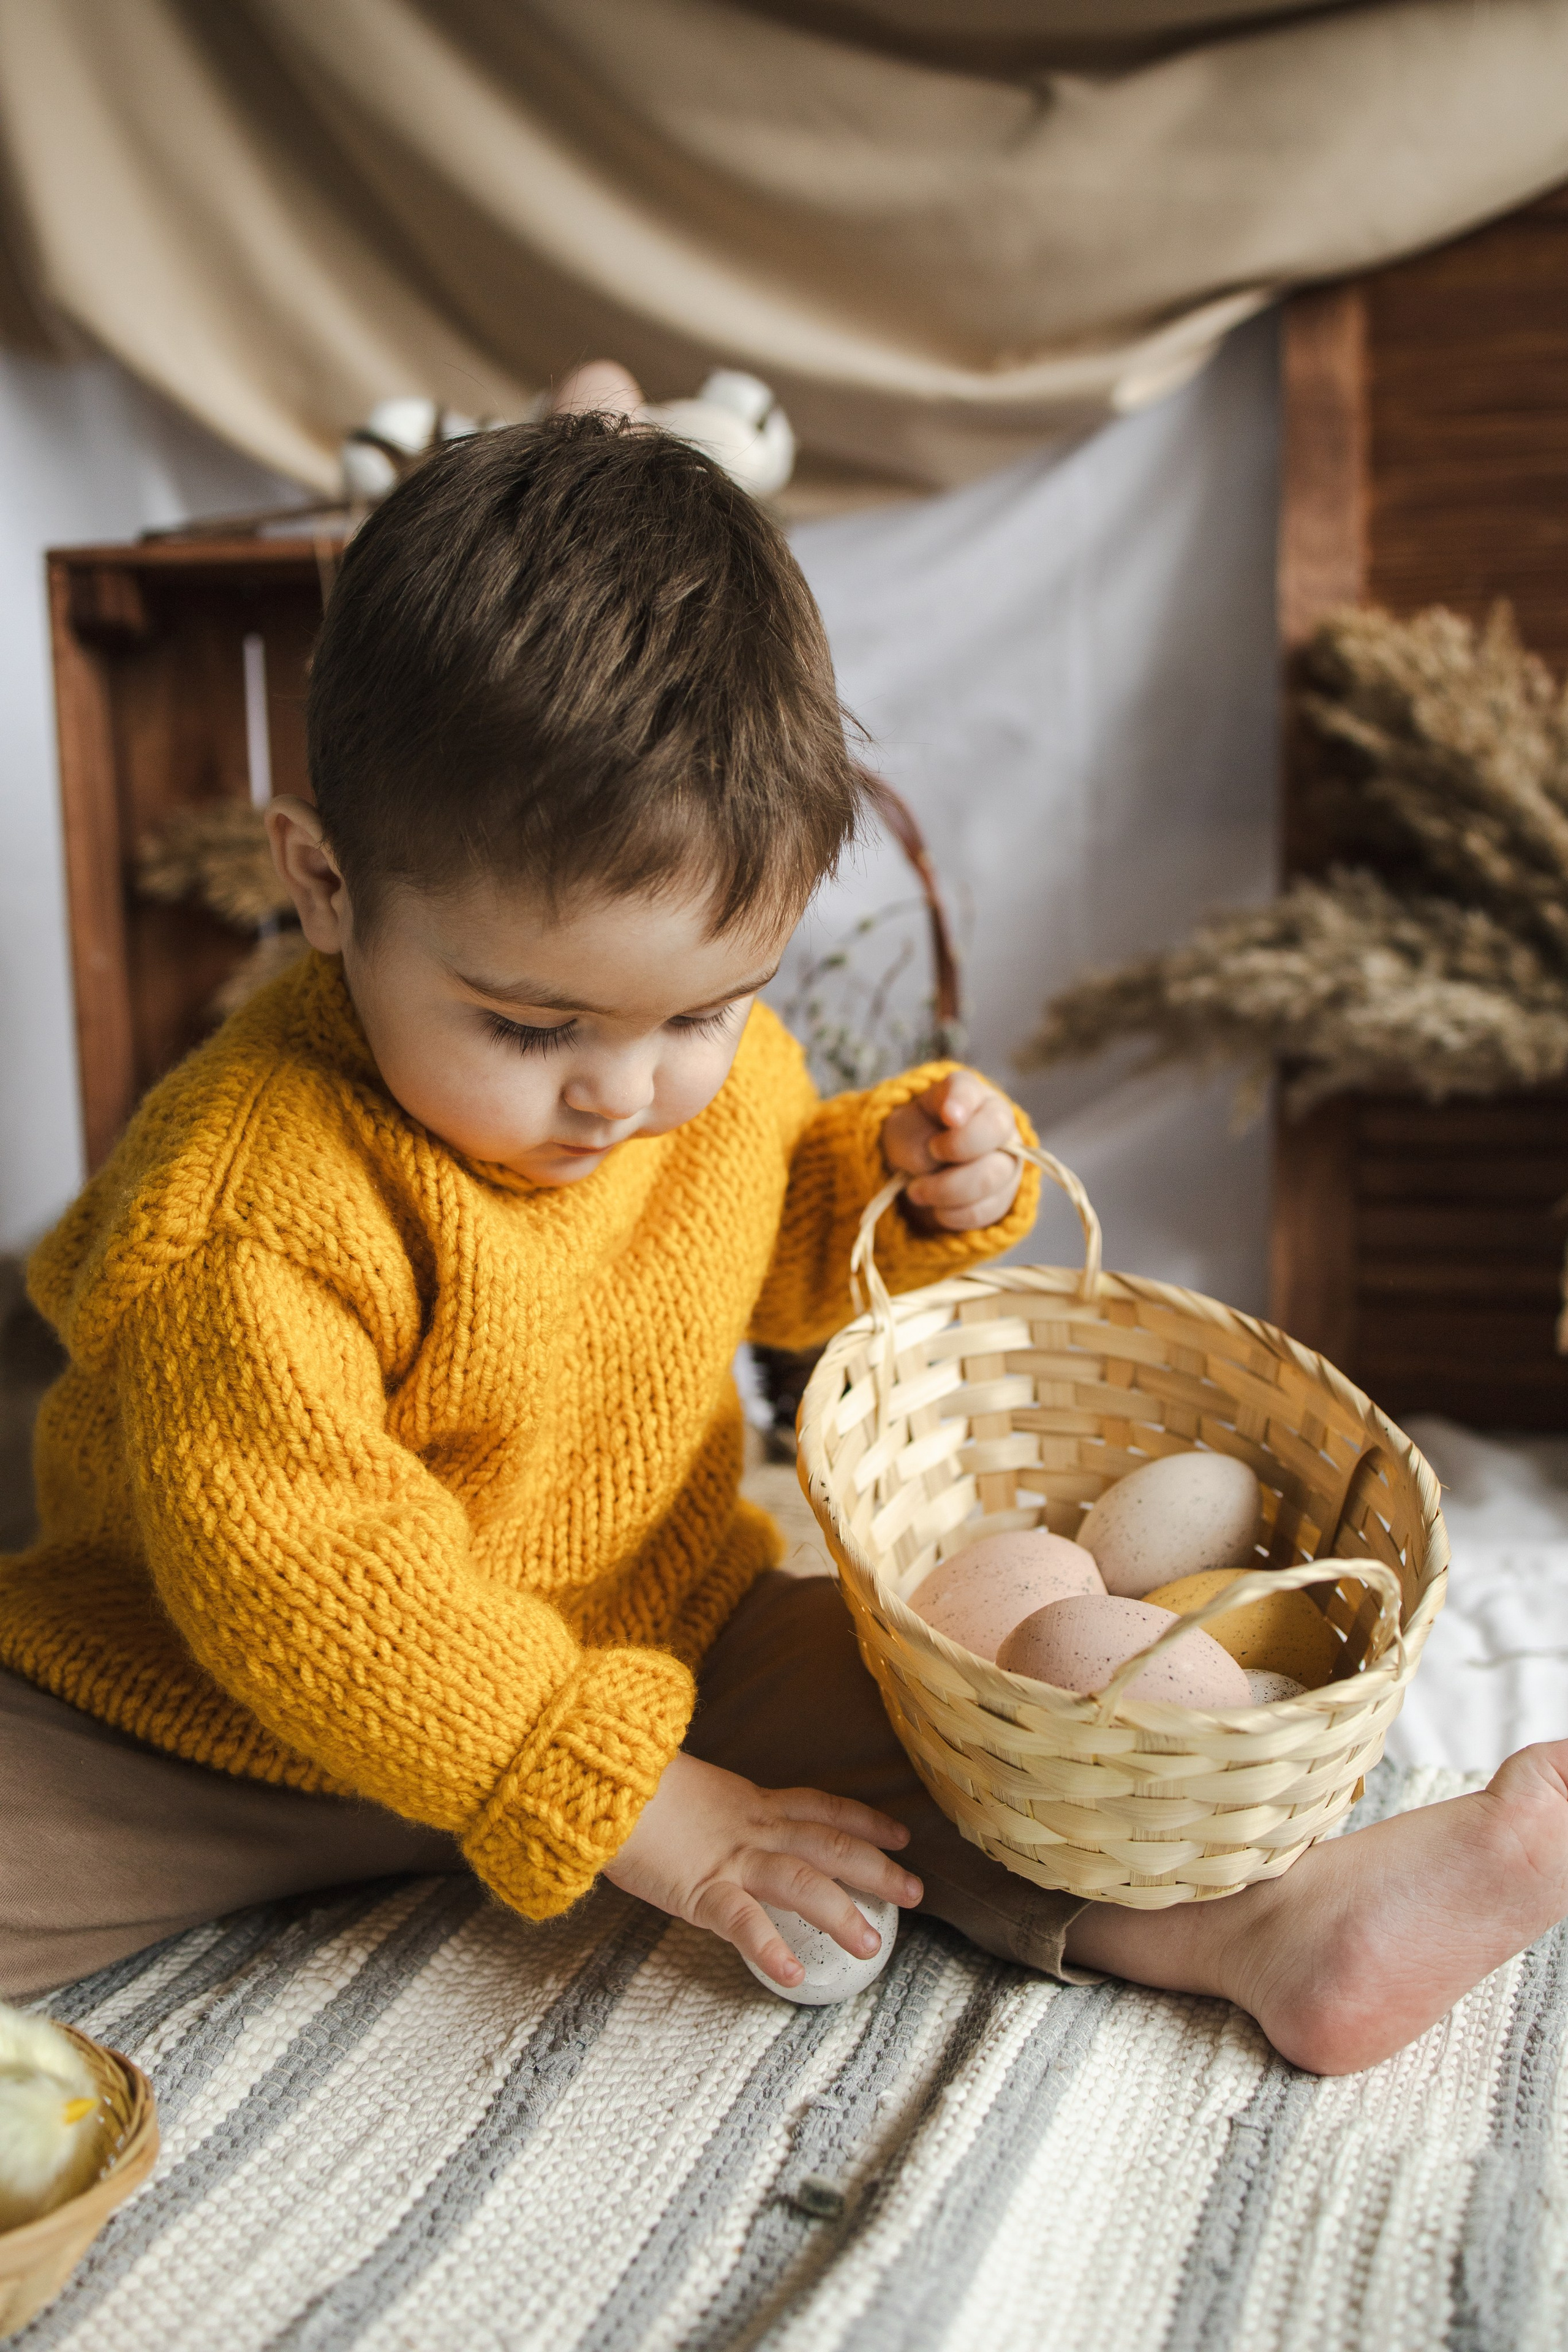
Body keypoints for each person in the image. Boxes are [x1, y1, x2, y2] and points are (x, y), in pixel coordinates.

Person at [2, 396, 1565, 2081]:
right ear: (323, 889)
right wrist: (650, 1813)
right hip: (197, 1720)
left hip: (646, 1631)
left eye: (699, 1012)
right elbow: (305, 1579)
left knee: (961, 1718)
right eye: (530, 1029)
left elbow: (758, 1234)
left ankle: (1276, 1928)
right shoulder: (246, 1205)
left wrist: (894, 1184)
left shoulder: (713, 1074)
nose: (624, 1093)